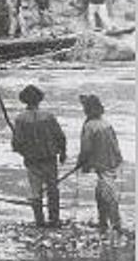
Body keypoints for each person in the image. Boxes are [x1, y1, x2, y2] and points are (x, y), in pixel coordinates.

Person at [11, 84, 67, 228]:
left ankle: (39, 222)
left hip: (32, 160)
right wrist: (63, 152)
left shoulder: (20, 119)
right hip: (50, 158)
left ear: (24, 101)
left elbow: (16, 144)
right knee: (53, 189)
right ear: (39, 100)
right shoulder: (48, 116)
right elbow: (60, 137)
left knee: (35, 191)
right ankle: (54, 220)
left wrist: (24, 151)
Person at [77, 94, 123, 234]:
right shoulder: (106, 123)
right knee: (101, 193)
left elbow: (86, 149)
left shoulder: (90, 126)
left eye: (85, 107)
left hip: (102, 164)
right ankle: (103, 222)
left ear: (88, 109)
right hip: (112, 162)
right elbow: (115, 144)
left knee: (107, 195)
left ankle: (115, 224)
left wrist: (83, 164)